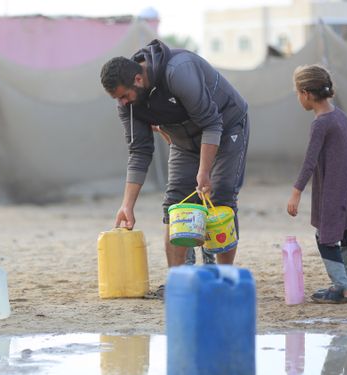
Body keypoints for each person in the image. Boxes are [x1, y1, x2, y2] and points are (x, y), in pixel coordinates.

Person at [100, 39, 250, 298]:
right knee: (175, 205)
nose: (122, 103)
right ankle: (179, 281)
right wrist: (127, 205)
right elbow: (139, 151)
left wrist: (204, 171)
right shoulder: (128, 106)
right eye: (117, 99)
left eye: (123, 96)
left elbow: (213, 124)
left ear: (138, 79)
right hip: (183, 140)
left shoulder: (178, 70)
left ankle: (224, 280)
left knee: (221, 197)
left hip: (226, 128)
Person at [287, 64, 347, 304]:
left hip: (338, 186)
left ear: (306, 93)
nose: (298, 98)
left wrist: (296, 192)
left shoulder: (321, 123)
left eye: (297, 93)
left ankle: (341, 289)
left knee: (326, 236)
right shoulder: (340, 115)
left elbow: (309, 161)